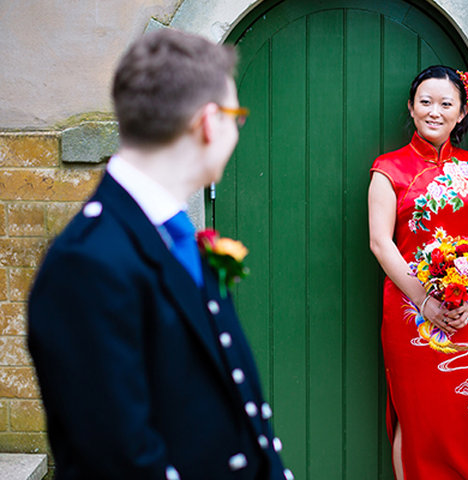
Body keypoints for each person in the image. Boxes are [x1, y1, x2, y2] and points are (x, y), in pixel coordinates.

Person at [28, 29, 293, 480]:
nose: (236, 131)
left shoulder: (174, 235)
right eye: (235, 117)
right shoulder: (86, 263)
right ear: (209, 122)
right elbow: (120, 461)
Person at [368, 65, 468, 479]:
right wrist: (425, 301)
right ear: (412, 108)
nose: (434, 111)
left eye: (445, 103)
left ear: (461, 112)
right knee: (419, 420)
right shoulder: (388, 169)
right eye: (425, 102)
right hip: (411, 315)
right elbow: (381, 243)